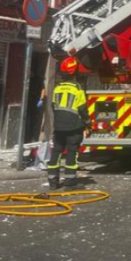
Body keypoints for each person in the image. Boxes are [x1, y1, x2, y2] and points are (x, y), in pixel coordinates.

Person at [47, 58, 91, 190]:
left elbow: (54, 106)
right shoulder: (78, 88)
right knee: (72, 153)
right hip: (74, 127)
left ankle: (53, 182)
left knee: (56, 152)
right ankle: (69, 182)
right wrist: (88, 123)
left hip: (59, 127)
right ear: (75, 72)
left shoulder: (57, 88)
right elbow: (82, 109)